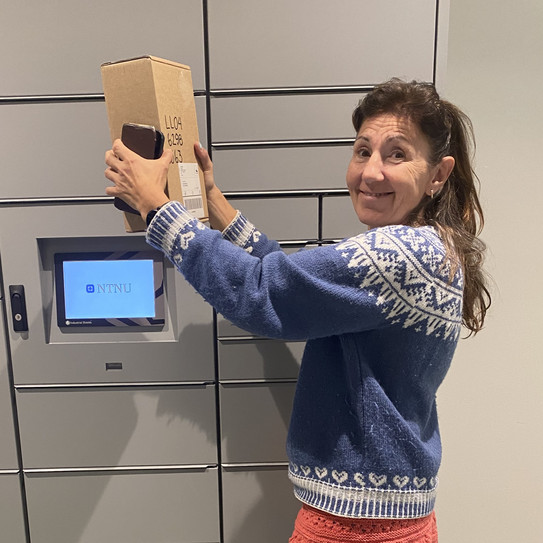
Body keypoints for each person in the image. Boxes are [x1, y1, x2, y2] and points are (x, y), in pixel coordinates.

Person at [105, 78, 490, 542]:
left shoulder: (400, 253)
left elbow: (264, 293)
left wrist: (156, 208)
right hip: (379, 517)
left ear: (439, 174)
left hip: (358, 529)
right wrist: (212, 201)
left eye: (396, 154)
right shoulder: (431, 247)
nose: (370, 172)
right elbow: (294, 282)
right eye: (363, 150)